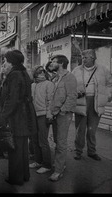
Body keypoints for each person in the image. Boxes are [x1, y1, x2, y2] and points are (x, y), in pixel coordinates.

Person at [0, 50, 37, 186]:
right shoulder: (23, 73)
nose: (4, 63)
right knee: (22, 148)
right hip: (25, 114)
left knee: (14, 148)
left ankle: (16, 178)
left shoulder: (14, 75)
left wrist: (4, 115)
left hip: (17, 116)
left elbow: (12, 98)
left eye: (6, 60)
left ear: (12, 62)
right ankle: (24, 175)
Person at [71, 49, 112, 161]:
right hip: (81, 102)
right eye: (82, 57)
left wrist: (106, 96)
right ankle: (78, 151)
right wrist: (76, 93)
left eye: (86, 57)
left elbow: (110, 84)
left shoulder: (103, 69)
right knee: (80, 129)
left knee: (92, 130)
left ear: (93, 58)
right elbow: (71, 86)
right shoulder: (76, 70)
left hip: (96, 102)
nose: (83, 59)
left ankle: (92, 151)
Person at [48, 54, 77, 182]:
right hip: (54, 113)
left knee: (61, 142)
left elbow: (72, 96)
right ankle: (60, 163)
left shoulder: (70, 77)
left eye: (53, 61)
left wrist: (63, 111)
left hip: (63, 114)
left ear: (60, 63)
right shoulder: (55, 77)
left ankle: (58, 170)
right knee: (56, 140)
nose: (51, 63)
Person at [28, 65, 55, 174]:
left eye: (43, 72)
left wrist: (49, 114)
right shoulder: (33, 85)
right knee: (34, 139)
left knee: (43, 140)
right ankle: (38, 161)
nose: (42, 74)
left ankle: (47, 164)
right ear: (35, 74)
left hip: (43, 115)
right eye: (39, 72)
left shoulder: (49, 84)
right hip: (34, 115)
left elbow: (51, 101)